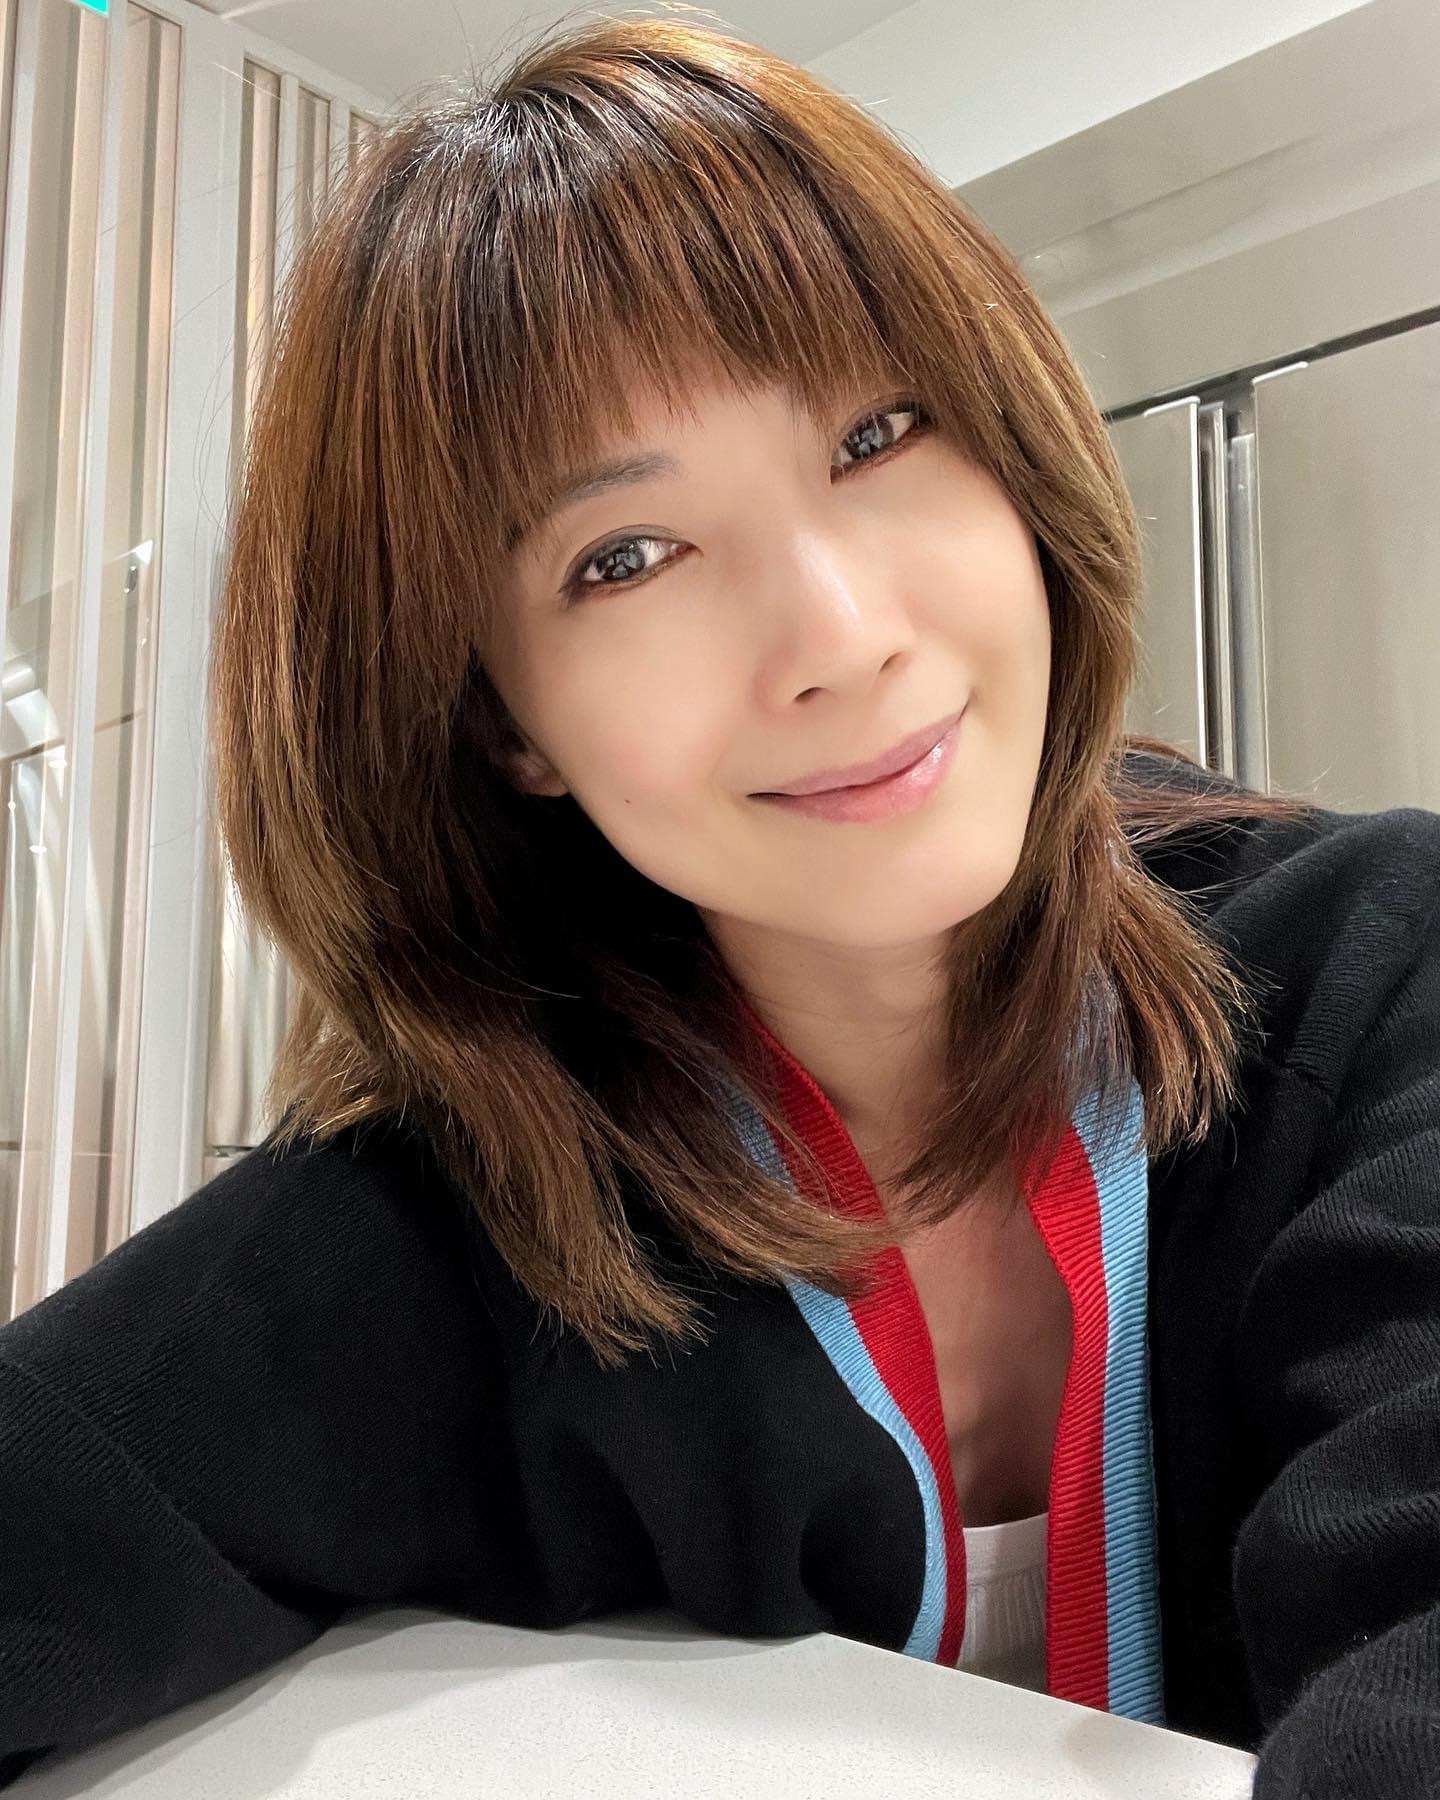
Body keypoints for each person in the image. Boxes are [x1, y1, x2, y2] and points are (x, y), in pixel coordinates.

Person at [1, 15, 1437, 1795]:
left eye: (879, 432)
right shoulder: (468, 1208)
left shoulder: (1382, 968)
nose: (840, 635)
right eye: (627, 557)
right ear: (502, 722)